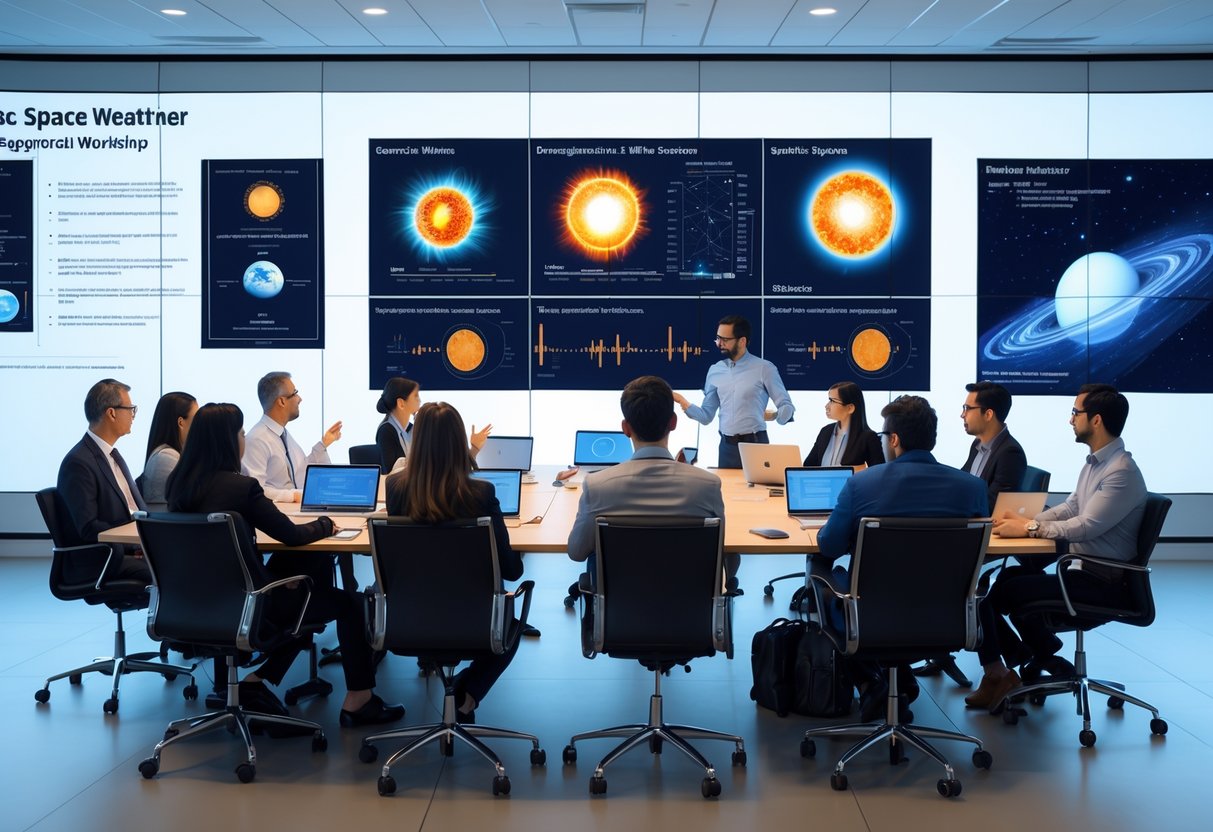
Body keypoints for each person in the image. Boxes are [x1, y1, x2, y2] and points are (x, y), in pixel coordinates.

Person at [167, 402, 404, 727]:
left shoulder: (178, 486)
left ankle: (252, 682)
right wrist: (325, 524)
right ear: (227, 441)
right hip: (249, 605)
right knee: (351, 603)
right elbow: (291, 534)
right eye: (239, 433)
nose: (243, 440)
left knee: (305, 568)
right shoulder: (241, 488)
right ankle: (359, 700)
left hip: (193, 602)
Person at [966, 384, 1147, 712]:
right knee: (1006, 583)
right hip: (1083, 571)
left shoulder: (1120, 472)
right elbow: (1071, 507)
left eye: (1076, 413)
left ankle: (1004, 673)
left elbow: (1087, 525)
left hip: (1102, 583)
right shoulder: (1096, 464)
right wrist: (1029, 521)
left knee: (987, 600)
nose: (1070, 420)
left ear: (1096, 420)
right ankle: (1041, 654)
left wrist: (1031, 528)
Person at [816, 395, 988, 719]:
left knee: (820, 569)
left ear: (894, 440)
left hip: (871, 620)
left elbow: (828, 546)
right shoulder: (972, 488)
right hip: (945, 621)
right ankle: (895, 682)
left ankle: (871, 681)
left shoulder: (861, 485)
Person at [384, 401, 521, 723]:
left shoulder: (395, 488)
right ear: (459, 441)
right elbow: (512, 570)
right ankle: (467, 694)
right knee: (513, 621)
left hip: (409, 619)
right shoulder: (481, 492)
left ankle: (461, 694)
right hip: (476, 620)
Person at [568, 375, 729, 583]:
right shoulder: (708, 486)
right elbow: (720, 551)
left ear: (625, 428)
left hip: (619, 612)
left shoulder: (597, 486)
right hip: (690, 609)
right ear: (673, 422)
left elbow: (576, 552)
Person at [56, 378, 151, 584]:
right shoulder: (79, 463)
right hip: (106, 559)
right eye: (130, 409)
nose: (133, 415)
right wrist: (132, 547)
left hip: (129, 550)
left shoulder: (111, 455)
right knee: (174, 573)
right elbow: (89, 528)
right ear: (112, 413)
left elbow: (134, 511)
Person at [672, 314, 795, 469]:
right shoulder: (715, 370)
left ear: (742, 341)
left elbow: (785, 404)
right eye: (717, 338)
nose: (719, 343)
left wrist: (779, 416)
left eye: (725, 339)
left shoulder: (765, 368)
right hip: (726, 446)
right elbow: (706, 416)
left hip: (755, 444)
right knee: (729, 492)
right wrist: (681, 400)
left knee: (756, 492)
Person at [242, 371, 342, 502]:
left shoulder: (283, 433)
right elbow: (254, 489)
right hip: (278, 516)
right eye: (295, 393)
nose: (300, 399)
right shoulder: (256, 439)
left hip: (294, 511)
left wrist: (323, 444)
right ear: (282, 401)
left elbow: (300, 473)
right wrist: (293, 496)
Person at [375, 376, 490, 472]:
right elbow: (391, 473)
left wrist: (474, 449)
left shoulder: (412, 428)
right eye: (415, 396)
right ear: (401, 403)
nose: (419, 400)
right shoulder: (386, 431)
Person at [960, 381, 1027, 513]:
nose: (962, 415)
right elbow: (963, 482)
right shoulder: (977, 444)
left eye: (967, 408)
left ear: (988, 414)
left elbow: (991, 506)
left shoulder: (1011, 454)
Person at [802, 381, 883, 468]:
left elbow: (878, 473)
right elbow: (808, 465)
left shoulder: (868, 437)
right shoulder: (825, 431)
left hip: (851, 482)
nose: (827, 406)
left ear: (850, 408)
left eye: (832, 401)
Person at [140, 391, 198, 509]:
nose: (200, 424)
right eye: (196, 419)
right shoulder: (166, 456)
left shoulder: (167, 454)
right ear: (181, 422)